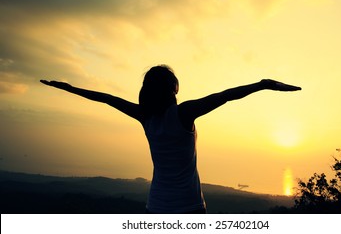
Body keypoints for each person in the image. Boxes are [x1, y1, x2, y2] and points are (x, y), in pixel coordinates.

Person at [40, 65, 301, 213]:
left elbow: (107, 99)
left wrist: (70, 89)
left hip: (155, 206)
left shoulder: (145, 116)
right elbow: (226, 95)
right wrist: (262, 84)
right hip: (189, 206)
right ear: (173, 88)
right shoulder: (183, 113)